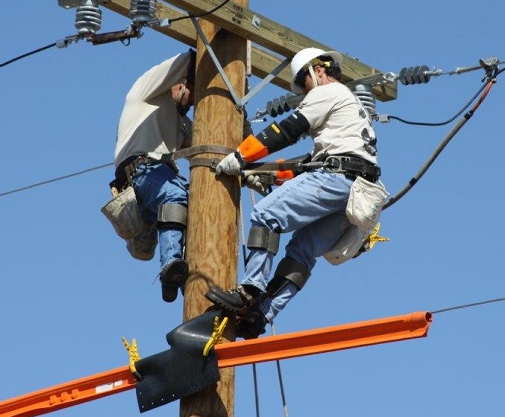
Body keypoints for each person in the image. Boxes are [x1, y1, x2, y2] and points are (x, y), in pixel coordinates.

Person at [207, 47, 381, 338]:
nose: (304, 91)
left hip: (338, 179)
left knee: (265, 215)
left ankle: (250, 291)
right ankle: (261, 315)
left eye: (304, 83)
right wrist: (269, 177)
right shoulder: (350, 107)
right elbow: (310, 163)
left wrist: (240, 157)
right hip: (358, 191)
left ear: (319, 70)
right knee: (303, 250)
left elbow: (287, 129)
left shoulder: (328, 92)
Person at [111, 50, 195, 303]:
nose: (193, 103)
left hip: (155, 183)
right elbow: (189, 58)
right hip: (141, 174)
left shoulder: (182, 124)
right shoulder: (145, 93)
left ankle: (188, 283)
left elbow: (216, 150)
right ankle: (170, 265)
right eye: (193, 92)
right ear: (179, 83)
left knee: (197, 212)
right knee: (175, 193)